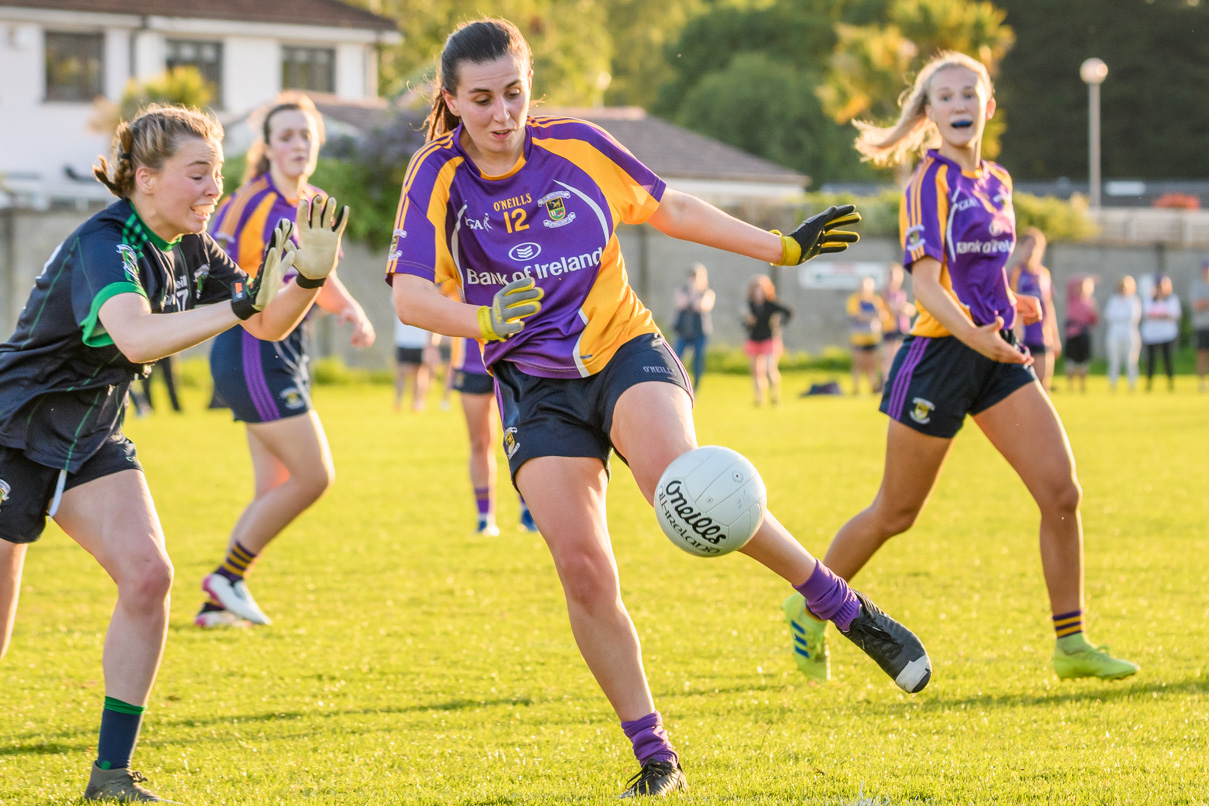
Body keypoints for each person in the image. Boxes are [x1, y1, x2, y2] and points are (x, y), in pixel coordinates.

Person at [387, 18, 930, 798]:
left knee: (682, 483)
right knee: (581, 567)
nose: (502, 114)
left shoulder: (575, 145)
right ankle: (655, 755)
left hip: (623, 351)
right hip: (536, 389)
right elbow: (409, 294)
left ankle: (841, 607)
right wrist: (478, 319)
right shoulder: (435, 176)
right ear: (451, 100)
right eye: (481, 100)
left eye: (514, 92)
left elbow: (670, 207)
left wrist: (779, 247)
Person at [0, 103, 346, 801]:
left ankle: (110, 777)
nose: (213, 188)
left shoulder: (194, 247)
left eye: (217, 172)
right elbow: (134, 335)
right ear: (147, 178)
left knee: (150, 577)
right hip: (12, 431)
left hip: (88, 436)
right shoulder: (107, 241)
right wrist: (246, 304)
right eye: (198, 174)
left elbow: (267, 321)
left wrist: (306, 280)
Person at [781, 52, 1137, 688]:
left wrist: (1009, 304)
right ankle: (809, 605)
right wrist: (972, 329)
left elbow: (981, 271)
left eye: (969, 93)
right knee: (896, 511)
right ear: (928, 114)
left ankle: (1072, 642)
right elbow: (924, 285)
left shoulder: (997, 180)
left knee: (1062, 491)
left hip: (994, 351)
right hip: (941, 356)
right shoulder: (928, 180)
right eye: (943, 97)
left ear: (988, 106)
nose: (958, 104)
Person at [198, 94, 373, 629]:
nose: (299, 144)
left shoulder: (316, 202)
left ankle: (218, 602)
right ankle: (226, 577)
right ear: (268, 146)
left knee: (273, 488)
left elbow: (321, 278)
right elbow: (211, 271)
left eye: (307, 136)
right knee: (314, 476)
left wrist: (351, 309)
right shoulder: (247, 202)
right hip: (251, 347)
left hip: (289, 349)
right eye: (288, 135)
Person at [449, 336, 537, 535]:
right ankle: (484, 519)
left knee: (520, 438)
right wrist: (431, 344)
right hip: (470, 364)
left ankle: (529, 513)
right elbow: (440, 307)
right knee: (480, 442)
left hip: (513, 358)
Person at [1008, 229, 1061, 392]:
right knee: (1022, 388)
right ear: (1021, 247)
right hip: (1022, 336)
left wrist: (1055, 336)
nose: (1031, 250)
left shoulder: (1044, 275)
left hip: (1041, 336)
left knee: (1044, 386)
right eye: (1028, 245)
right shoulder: (1014, 273)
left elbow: (1048, 306)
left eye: (1035, 246)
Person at [743, 274, 793, 407]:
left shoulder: (771, 304)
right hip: (754, 339)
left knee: (769, 368)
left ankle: (774, 395)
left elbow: (789, 312)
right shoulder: (750, 305)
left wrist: (780, 325)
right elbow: (745, 324)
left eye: (760, 289)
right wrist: (748, 322)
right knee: (756, 371)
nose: (758, 293)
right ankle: (759, 398)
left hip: (769, 339)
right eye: (755, 290)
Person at [671, 263, 715, 390]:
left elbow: (700, 306)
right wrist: (691, 293)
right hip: (683, 331)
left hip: (700, 332)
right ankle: (677, 383)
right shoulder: (682, 290)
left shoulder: (707, 293)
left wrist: (695, 292)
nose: (693, 280)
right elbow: (680, 303)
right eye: (691, 277)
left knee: (698, 360)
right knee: (677, 358)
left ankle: (696, 387)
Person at [847, 275, 889, 394]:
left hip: (873, 337)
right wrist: (873, 315)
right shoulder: (854, 299)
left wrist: (873, 314)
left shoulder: (875, 300)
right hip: (858, 338)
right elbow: (858, 316)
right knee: (858, 364)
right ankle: (855, 388)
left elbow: (883, 316)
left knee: (872, 365)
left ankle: (874, 386)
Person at [1140, 274, 1181, 392]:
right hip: (1151, 335)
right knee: (1151, 360)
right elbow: (1147, 315)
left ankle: (1170, 382)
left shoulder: (1172, 299)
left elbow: (1173, 315)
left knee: (1167, 359)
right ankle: (1149, 383)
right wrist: (1163, 315)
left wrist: (1157, 315)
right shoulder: (1148, 299)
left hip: (1167, 334)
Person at [1103, 275, 1142, 391]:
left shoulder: (1134, 300)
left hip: (1130, 334)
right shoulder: (1113, 300)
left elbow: (1133, 317)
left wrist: (1118, 317)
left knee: (1131, 361)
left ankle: (1132, 384)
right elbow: (1109, 316)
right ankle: (1113, 384)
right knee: (1114, 361)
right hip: (1114, 335)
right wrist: (1121, 317)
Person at [880, 263, 915, 381]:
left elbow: (911, 310)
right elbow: (892, 308)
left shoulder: (901, 293)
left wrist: (903, 308)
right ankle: (886, 381)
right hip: (890, 328)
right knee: (889, 357)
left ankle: (897, 379)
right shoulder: (885, 293)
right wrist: (902, 308)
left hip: (902, 328)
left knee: (901, 356)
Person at [393, 318, 437, 413]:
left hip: (420, 342)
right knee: (401, 373)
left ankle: (416, 403)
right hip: (403, 341)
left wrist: (431, 343)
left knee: (418, 374)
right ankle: (398, 403)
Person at [1064, 275, 1098, 393]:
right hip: (1072, 334)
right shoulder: (1073, 298)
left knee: (1083, 361)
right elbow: (1070, 283)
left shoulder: (1090, 302)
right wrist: (1087, 278)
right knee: (1071, 361)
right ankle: (1070, 386)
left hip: (1084, 334)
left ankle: (1082, 385)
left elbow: (1094, 321)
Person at [1192, 261, 1209, 392]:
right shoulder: (1197, 286)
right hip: (1203, 325)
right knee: (1202, 354)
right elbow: (1196, 305)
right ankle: (1201, 382)